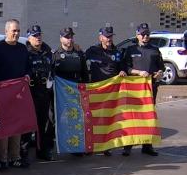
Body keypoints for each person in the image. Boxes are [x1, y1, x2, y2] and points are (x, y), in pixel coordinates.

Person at [0, 19, 30, 170]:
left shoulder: (22, 49)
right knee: (4, 128)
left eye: (18, 31)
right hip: (2, 95)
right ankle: (3, 159)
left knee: (16, 127)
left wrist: (27, 76)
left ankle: (15, 157)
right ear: (6, 31)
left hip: (18, 95)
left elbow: (27, 68)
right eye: (14, 31)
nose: (17, 33)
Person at [122, 23, 165, 156]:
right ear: (137, 35)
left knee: (148, 116)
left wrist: (159, 73)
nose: (145, 36)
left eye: (147, 34)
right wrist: (138, 72)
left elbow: (161, 67)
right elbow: (125, 68)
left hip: (150, 87)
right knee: (131, 116)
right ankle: (128, 146)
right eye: (142, 34)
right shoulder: (130, 50)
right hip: (133, 89)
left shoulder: (155, 50)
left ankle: (147, 146)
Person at [85, 26, 127, 156]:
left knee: (108, 120)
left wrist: (122, 71)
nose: (109, 39)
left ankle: (106, 146)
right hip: (96, 91)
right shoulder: (92, 50)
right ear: (100, 37)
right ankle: (90, 146)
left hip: (111, 92)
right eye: (106, 36)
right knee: (93, 119)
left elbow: (123, 68)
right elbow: (81, 60)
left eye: (111, 36)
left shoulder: (118, 52)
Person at [53, 27, 89, 157]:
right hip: (61, 94)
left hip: (76, 92)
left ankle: (76, 147)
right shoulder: (55, 54)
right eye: (67, 37)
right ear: (61, 38)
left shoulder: (79, 54)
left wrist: (86, 89)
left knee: (76, 120)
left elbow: (85, 72)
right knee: (58, 120)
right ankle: (57, 146)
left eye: (71, 36)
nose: (70, 39)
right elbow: (52, 74)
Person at [24, 25, 54, 161]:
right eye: (35, 35)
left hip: (45, 91)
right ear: (29, 37)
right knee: (28, 123)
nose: (38, 37)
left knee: (45, 123)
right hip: (30, 91)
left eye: (39, 35)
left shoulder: (47, 50)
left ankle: (43, 151)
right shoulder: (25, 52)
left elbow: (52, 68)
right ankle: (23, 153)